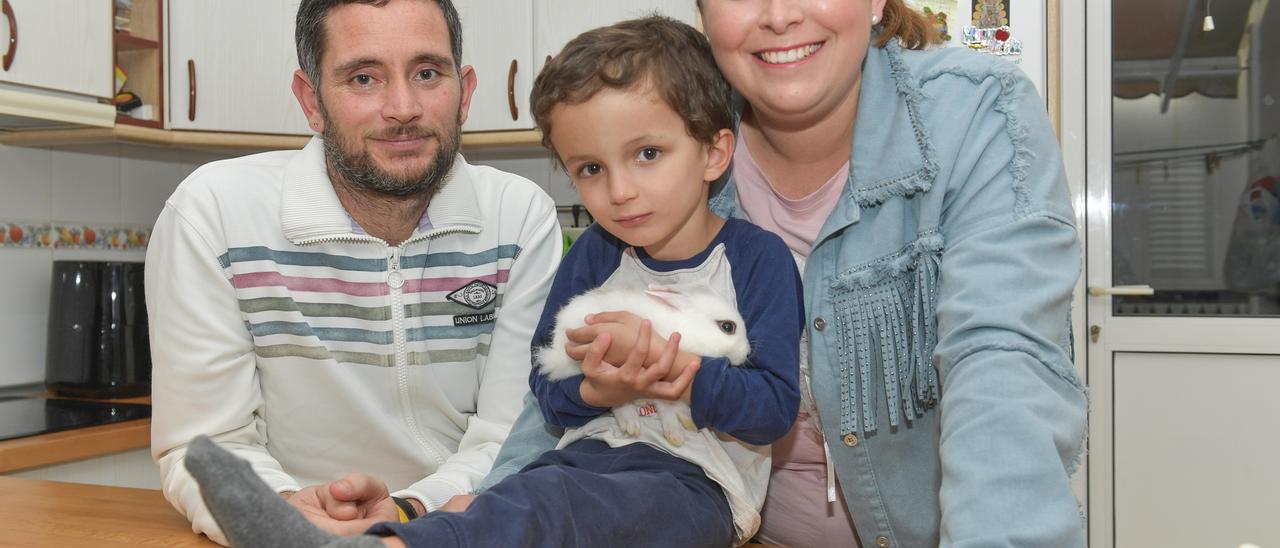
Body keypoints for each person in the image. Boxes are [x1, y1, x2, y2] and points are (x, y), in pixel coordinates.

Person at [179, 15, 803, 548]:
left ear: (715, 153)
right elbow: (549, 399)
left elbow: (773, 413)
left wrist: (678, 372)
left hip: (697, 486)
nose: (619, 191)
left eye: (647, 155)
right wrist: (593, 389)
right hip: (581, 461)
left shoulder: (755, 261)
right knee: (494, 506)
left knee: (545, 508)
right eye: (590, 168)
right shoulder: (593, 254)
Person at [487, 1, 1089, 546]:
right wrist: (480, 514)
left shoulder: (975, 111)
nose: (778, 15)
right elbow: (563, 382)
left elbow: (1003, 365)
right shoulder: (671, 130)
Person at [144, 0, 560, 543]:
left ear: (466, 92)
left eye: (428, 73)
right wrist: (287, 511)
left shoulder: (519, 217)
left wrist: (408, 512)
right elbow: (204, 442)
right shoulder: (213, 213)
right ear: (311, 102)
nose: (403, 107)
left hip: (455, 529)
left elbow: (515, 436)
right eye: (364, 78)